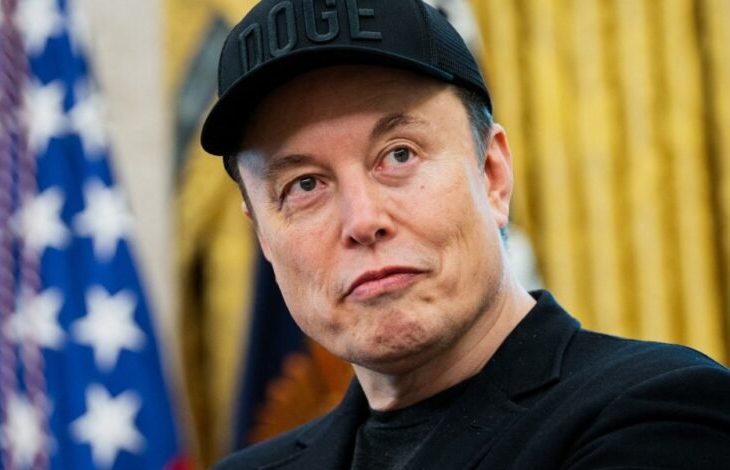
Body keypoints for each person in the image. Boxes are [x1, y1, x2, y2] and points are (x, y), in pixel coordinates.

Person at [200, 0, 730, 468]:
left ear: (493, 175)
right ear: (264, 236)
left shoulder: (659, 411)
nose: (362, 221)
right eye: (304, 185)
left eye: (399, 155)